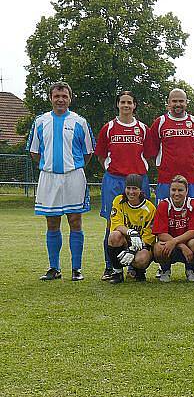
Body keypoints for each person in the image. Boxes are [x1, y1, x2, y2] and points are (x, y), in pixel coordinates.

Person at [26, 81, 95, 281]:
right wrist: (50, 165)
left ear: (70, 99)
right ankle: (54, 268)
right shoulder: (40, 121)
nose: (60, 100)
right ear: (51, 98)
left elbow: (88, 152)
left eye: (64, 96)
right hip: (49, 177)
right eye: (57, 96)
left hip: (73, 176)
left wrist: (72, 164)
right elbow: (34, 151)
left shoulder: (80, 122)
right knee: (52, 221)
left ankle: (76, 269)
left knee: (75, 220)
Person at [96, 90, 152, 280]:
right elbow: (101, 155)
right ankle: (110, 266)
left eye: (130, 102)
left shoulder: (143, 129)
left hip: (138, 179)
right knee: (112, 224)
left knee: (141, 222)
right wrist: (112, 168)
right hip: (114, 179)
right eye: (123, 102)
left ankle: (135, 267)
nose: (126, 105)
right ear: (118, 105)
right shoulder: (109, 127)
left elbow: (150, 154)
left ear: (134, 105)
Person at [146, 88, 194, 203]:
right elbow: (151, 151)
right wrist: (163, 165)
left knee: (191, 214)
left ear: (186, 103)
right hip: (166, 178)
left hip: (191, 178)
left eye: (181, 101)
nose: (178, 104)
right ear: (169, 103)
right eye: (174, 101)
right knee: (164, 214)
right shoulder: (160, 122)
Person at [106, 174, 157, 284]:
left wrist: (133, 250)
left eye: (135, 188)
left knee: (142, 259)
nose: (131, 192)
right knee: (114, 236)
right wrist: (131, 232)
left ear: (140, 190)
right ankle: (117, 272)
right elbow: (116, 224)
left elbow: (150, 236)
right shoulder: (118, 201)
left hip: (141, 245)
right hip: (124, 242)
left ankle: (139, 271)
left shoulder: (150, 208)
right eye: (128, 188)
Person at [152, 174, 194, 282]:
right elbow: (161, 233)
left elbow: (193, 232)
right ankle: (165, 269)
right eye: (173, 190)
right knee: (158, 248)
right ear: (169, 190)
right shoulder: (163, 205)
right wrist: (180, 245)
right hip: (170, 245)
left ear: (186, 190)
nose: (176, 193)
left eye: (180, 190)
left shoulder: (193, 204)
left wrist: (176, 242)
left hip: (187, 243)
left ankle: (190, 269)